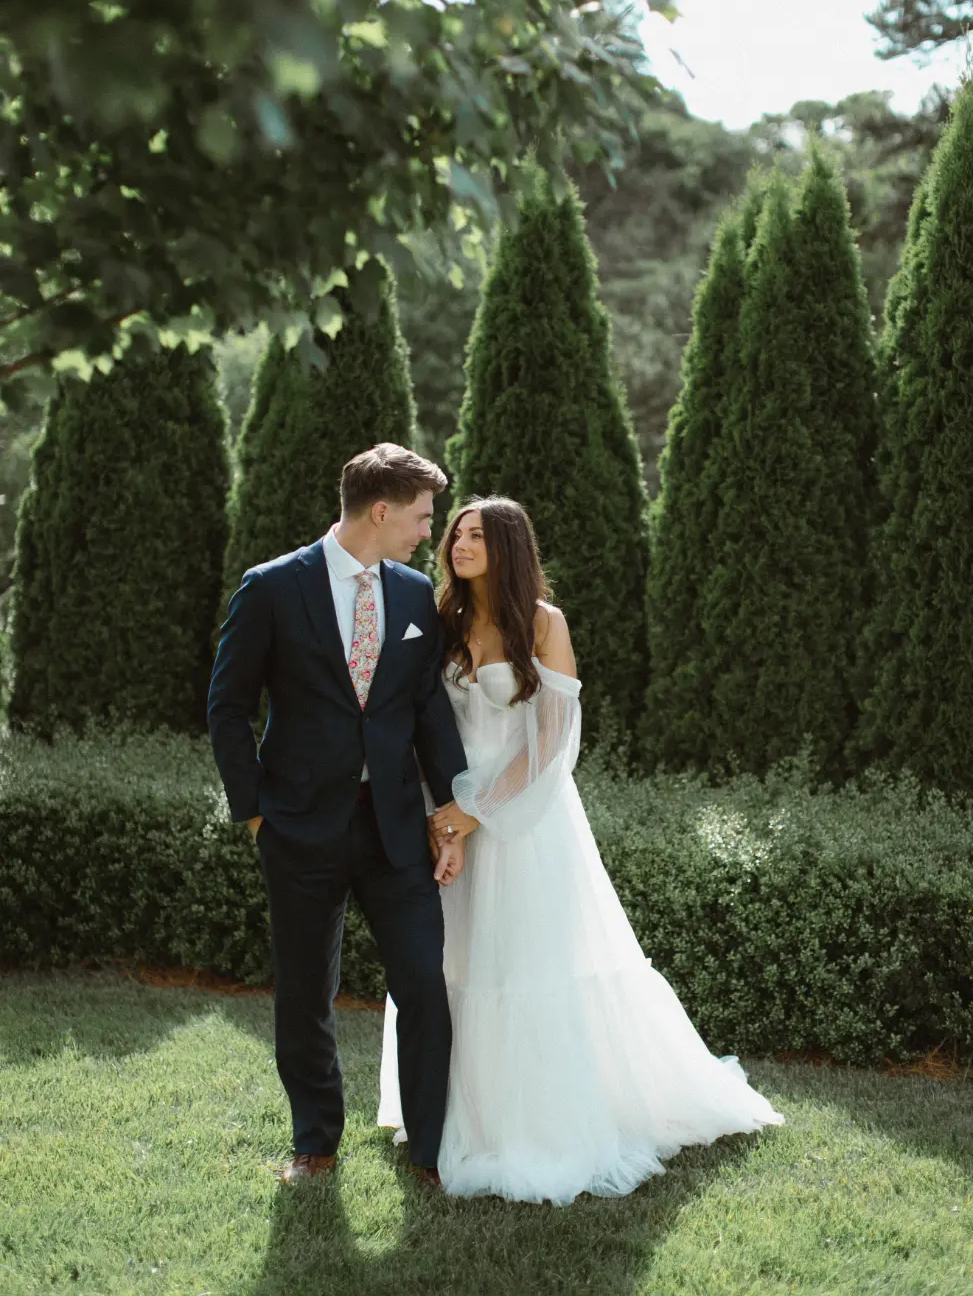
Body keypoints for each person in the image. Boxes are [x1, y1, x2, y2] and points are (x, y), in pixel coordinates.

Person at [379, 496, 784, 1204]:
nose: (458, 543)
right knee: (449, 966)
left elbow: (550, 742)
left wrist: (479, 812)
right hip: (443, 811)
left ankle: (537, 1123)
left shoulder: (542, 621)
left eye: (476, 534)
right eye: (454, 533)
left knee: (526, 964)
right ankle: (450, 1116)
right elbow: (417, 720)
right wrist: (441, 814)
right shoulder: (440, 619)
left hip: (525, 820)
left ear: (508, 546)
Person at [209, 443, 467, 1189]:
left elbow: (425, 712)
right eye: (421, 516)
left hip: (395, 829)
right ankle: (314, 1143)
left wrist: (448, 812)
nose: (428, 531)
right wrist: (256, 812)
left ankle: (428, 1151)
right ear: (381, 510)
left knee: (422, 981)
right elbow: (227, 708)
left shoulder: (416, 595)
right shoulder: (270, 588)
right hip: (298, 827)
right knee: (304, 991)